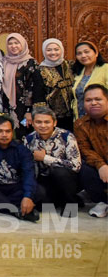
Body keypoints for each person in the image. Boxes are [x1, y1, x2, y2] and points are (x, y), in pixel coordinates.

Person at [22, 107, 81, 216]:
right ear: (33, 124)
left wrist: (45, 158)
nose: (43, 125)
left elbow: (76, 165)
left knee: (59, 172)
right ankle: (60, 199)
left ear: (54, 123)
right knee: (42, 206)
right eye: (38, 122)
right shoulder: (29, 139)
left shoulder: (66, 136)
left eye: (47, 122)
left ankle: (70, 204)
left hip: (67, 179)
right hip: (44, 179)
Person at [73, 84, 108, 218]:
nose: (93, 103)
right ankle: (102, 202)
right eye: (88, 100)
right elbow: (84, 149)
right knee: (82, 166)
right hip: (100, 168)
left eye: (98, 99)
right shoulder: (80, 124)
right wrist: (101, 165)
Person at [33, 38, 75, 130]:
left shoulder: (70, 65)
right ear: (44, 52)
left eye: (56, 49)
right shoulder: (40, 71)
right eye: (49, 50)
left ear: (62, 50)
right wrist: (43, 118)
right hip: (53, 117)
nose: (53, 53)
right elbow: (38, 96)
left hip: (74, 114)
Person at [2, 32, 39, 130]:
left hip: (24, 108)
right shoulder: (4, 62)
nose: (13, 46)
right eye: (10, 43)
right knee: (7, 132)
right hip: (6, 106)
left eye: (16, 43)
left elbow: (33, 88)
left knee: (24, 130)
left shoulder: (30, 63)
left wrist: (29, 111)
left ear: (22, 44)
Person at [72, 41, 107, 118]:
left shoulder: (105, 69)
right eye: (79, 53)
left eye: (86, 52)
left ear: (96, 53)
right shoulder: (78, 72)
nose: (83, 56)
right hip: (80, 118)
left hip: (102, 118)